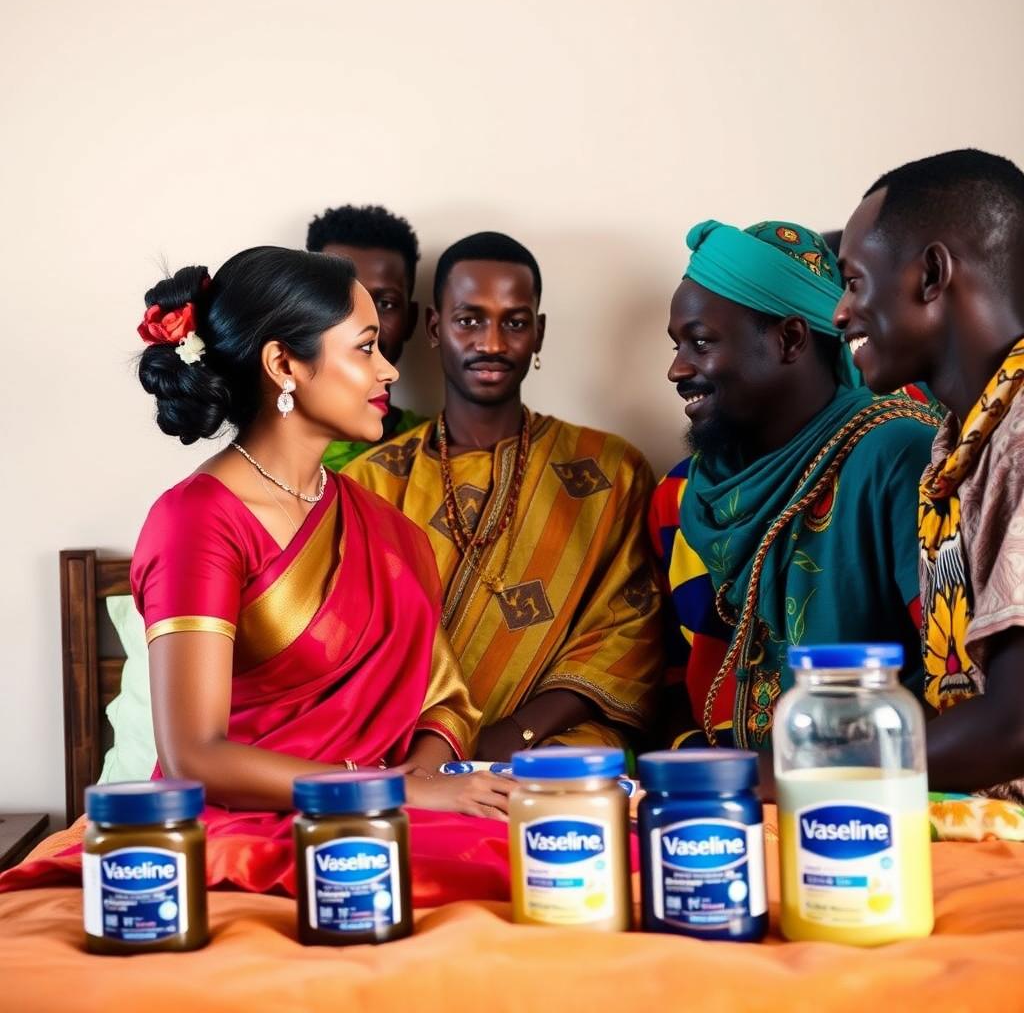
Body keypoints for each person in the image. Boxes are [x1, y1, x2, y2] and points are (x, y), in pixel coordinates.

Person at [1, 246, 512, 901]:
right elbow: (197, 756)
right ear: (282, 364)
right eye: (363, 348)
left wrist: (424, 788)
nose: (387, 369)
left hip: (378, 817)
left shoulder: (387, 530)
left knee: (569, 852)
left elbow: (442, 702)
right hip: (238, 829)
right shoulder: (198, 521)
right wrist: (398, 790)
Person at [346, 232, 663, 760]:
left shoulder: (611, 470)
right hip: (405, 751)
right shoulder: (371, 481)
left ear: (538, 334)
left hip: (555, 751)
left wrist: (511, 735)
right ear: (434, 326)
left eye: (514, 322)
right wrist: (434, 751)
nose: (492, 343)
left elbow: (629, 631)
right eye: (469, 319)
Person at [649, 220, 940, 750]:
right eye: (676, 344)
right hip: (730, 801)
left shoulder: (894, 453)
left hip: (875, 799)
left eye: (700, 342)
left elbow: (956, 680)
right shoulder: (684, 494)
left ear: (789, 339)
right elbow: (668, 687)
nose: (676, 369)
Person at [835, 148, 1024, 800]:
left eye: (855, 281)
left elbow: (1014, 727)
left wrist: (807, 776)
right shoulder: (955, 445)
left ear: (932, 274)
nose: (839, 313)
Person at [307, 204, 428, 469]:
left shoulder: (434, 449)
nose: (365, 322)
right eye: (342, 300)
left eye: (385, 303)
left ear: (412, 320)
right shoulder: (273, 454)